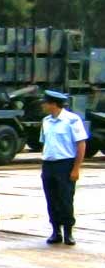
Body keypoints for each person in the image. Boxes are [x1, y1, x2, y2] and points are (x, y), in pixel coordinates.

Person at [39, 89, 88, 246]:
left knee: (65, 199)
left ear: (53, 104)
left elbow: (81, 144)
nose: (43, 105)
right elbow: (44, 143)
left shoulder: (72, 120)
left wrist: (76, 168)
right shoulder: (46, 121)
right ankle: (55, 231)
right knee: (51, 199)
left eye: (45, 103)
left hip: (65, 164)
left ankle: (68, 232)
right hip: (48, 165)